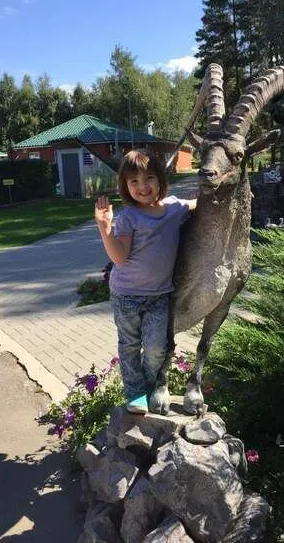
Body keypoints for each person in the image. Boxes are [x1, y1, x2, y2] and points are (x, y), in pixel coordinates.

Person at [94, 149, 196, 414]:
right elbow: (120, 257)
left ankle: (150, 386)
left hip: (159, 296)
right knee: (129, 346)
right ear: (125, 186)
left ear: (160, 178)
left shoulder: (174, 207)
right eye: (134, 181)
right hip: (126, 295)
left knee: (156, 348)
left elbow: (199, 203)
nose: (143, 186)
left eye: (149, 177)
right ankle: (136, 394)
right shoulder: (129, 217)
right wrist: (105, 229)